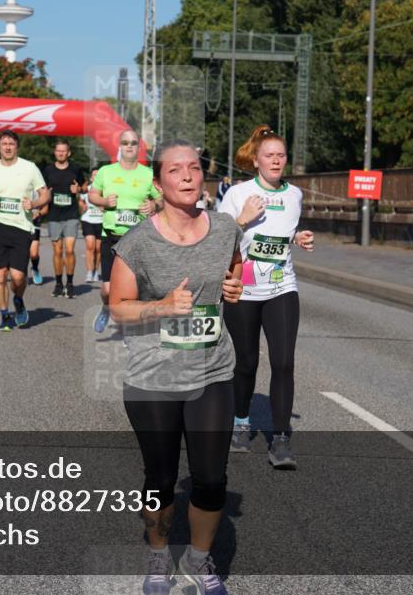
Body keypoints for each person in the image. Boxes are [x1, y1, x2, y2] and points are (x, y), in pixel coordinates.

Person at [109, 140, 243, 595]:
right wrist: (162, 306)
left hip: (212, 371)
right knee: (160, 479)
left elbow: (235, 265)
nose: (187, 176)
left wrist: (234, 286)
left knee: (210, 478)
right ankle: (158, 554)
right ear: (159, 182)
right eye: (175, 171)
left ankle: (199, 560)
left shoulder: (225, 228)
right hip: (153, 377)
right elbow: (118, 309)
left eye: (194, 168)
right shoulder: (138, 242)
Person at [218, 126, 315, 468]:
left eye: (281, 155)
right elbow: (219, 238)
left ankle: (281, 438)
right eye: (269, 155)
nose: (275, 160)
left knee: (284, 362)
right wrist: (243, 219)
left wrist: (297, 239)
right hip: (242, 288)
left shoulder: (295, 196)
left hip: (281, 287)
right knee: (246, 363)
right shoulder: (237, 193)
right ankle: (241, 422)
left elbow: (281, 236)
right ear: (256, 160)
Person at [0, 130, 48, 331]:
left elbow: (45, 195)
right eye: (4, 143)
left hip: (22, 227)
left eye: (11, 144)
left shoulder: (29, 168)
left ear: (17, 146)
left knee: (18, 277)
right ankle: (5, 315)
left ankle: (18, 298)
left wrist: (33, 203)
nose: (7, 147)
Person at [88, 130, 161, 333]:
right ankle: (106, 306)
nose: (129, 146)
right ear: (119, 146)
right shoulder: (106, 171)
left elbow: (162, 199)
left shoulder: (148, 175)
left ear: (139, 147)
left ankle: (132, 332)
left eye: (133, 143)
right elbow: (92, 195)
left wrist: (154, 205)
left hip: (139, 239)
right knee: (107, 289)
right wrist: (102, 201)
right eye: (125, 142)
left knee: (135, 290)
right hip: (112, 237)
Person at [42, 140, 86, 298]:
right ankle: (59, 283)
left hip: (71, 214)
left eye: (64, 151)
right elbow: (42, 189)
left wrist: (79, 189)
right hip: (54, 215)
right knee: (57, 251)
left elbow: (85, 185)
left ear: (69, 153)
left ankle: (70, 283)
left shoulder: (75, 169)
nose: (60, 153)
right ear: (55, 152)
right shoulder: (47, 170)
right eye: (58, 150)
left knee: (69, 249)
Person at [79, 167, 104, 283]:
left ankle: (95, 271)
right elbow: (80, 205)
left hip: (101, 221)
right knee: (90, 245)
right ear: (91, 178)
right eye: (94, 175)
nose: (96, 177)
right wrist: (82, 207)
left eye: (98, 175)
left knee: (98, 248)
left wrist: (103, 206)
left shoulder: (105, 191)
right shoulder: (86, 190)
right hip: (87, 220)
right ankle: (89, 272)